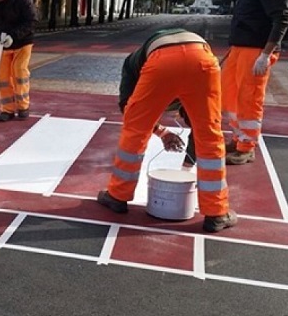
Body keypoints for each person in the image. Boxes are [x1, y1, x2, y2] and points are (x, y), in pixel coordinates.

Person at [97, 28, 237, 233]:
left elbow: (130, 112)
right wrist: (164, 133)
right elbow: (199, 130)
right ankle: (217, 213)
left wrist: (160, 132)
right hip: (203, 60)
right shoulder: (134, 64)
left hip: (161, 61)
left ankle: (117, 196)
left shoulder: (132, 65)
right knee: (209, 135)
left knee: (135, 131)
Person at [222, 0, 288, 165]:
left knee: (249, 98)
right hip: (241, 46)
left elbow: (282, 18)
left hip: (256, 49)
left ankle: (247, 147)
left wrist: (265, 54)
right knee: (230, 93)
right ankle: (238, 137)